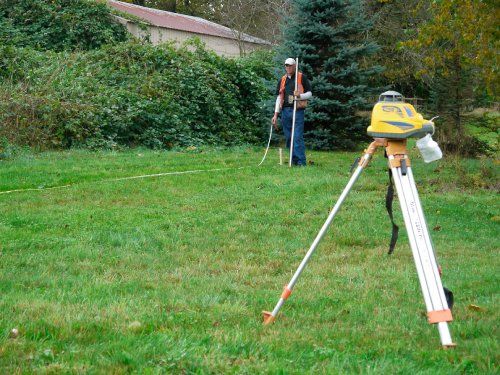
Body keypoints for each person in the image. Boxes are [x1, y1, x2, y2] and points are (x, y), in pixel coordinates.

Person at [272, 58, 312, 166]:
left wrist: (299, 96)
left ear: (295, 66)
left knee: (297, 137)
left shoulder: (301, 77)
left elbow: (309, 94)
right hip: (285, 112)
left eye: (290, 65)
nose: (288, 67)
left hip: (297, 111)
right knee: (289, 137)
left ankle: (301, 162)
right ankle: (293, 160)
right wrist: (276, 114)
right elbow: (279, 98)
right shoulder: (282, 80)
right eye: (286, 66)